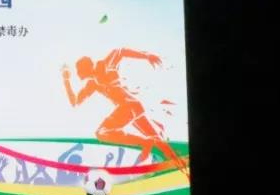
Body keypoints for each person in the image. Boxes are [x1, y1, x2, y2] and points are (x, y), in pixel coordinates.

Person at [62, 48, 189, 178]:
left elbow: (121, 51)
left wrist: (146, 55)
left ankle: (146, 143)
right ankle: (184, 169)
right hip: (133, 107)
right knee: (157, 139)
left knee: (102, 132)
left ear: (86, 67)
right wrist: (66, 81)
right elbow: (75, 102)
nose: (78, 74)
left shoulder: (105, 65)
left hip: (128, 106)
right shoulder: (92, 84)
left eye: (79, 70)